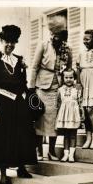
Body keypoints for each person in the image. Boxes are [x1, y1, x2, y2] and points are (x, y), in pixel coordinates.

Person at [0, 25, 37, 184]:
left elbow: (24, 83)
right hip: (2, 103)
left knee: (22, 135)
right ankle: (3, 176)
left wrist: (27, 99)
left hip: (19, 103)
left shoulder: (19, 60)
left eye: (13, 42)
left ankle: (21, 168)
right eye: (7, 41)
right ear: (1, 41)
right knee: (3, 138)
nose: (10, 45)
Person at [29, 16, 72, 161]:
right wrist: (31, 87)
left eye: (59, 35)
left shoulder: (67, 49)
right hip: (42, 86)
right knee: (40, 119)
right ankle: (38, 151)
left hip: (57, 88)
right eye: (54, 34)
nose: (56, 37)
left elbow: (70, 69)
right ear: (51, 33)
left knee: (54, 122)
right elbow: (34, 67)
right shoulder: (43, 45)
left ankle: (51, 151)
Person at [55, 69, 84, 163]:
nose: (68, 79)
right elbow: (58, 104)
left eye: (71, 77)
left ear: (74, 78)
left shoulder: (77, 89)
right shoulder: (60, 90)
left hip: (73, 115)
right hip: (64, 115)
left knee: (73, 135)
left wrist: (81, 113)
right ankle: (66, 154)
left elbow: (80, 103)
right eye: (66, 77)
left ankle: (71, 155)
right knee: (66, 135)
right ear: (63, 78)